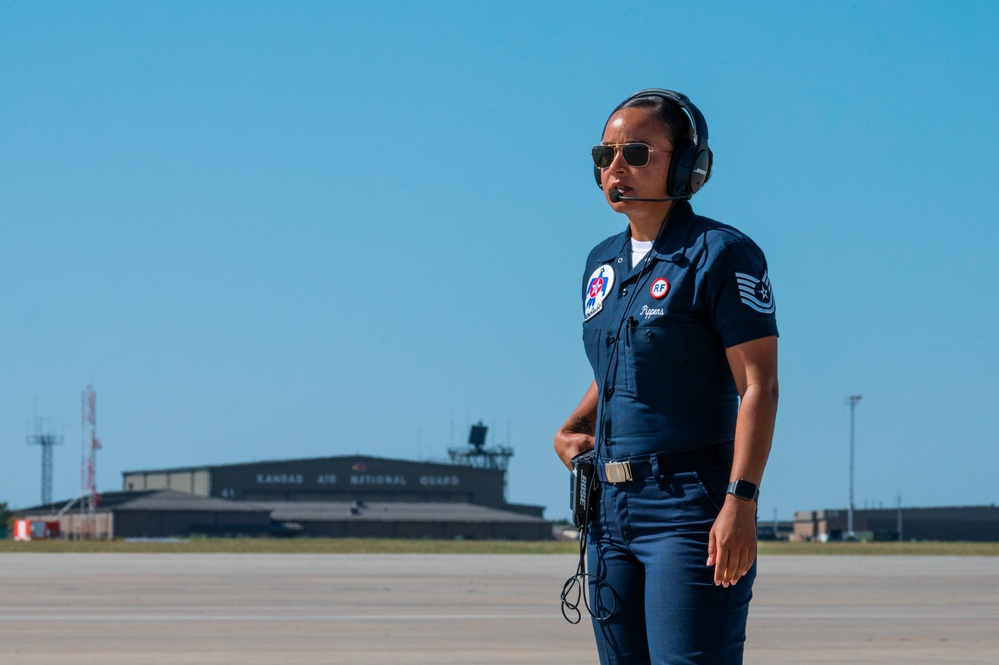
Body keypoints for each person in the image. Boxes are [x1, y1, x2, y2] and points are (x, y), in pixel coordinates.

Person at [554, 89, 779, 665]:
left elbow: (759, 386)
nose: (616, 169)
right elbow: (620, 367)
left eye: (636, 152)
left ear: (686, 165)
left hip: (688, 511)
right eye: (605, 156)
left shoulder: (721, 254)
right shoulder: (601, 263)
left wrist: (741, 503)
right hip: (607, 511)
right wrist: (576, 424)